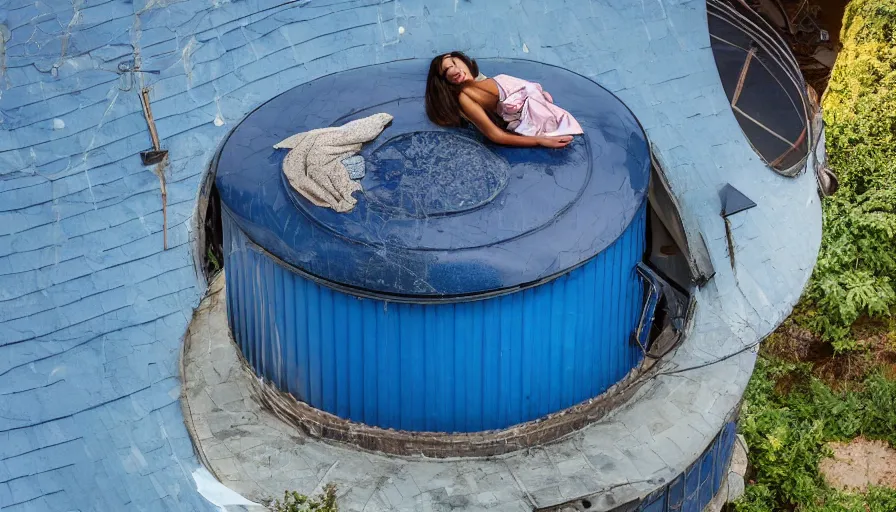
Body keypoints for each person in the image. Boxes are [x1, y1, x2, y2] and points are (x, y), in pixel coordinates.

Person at [425, 51, 583, 148]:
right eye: (446, 71)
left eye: (453, 62)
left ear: (462, 59)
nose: (453, 70)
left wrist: (539, 94)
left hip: (542, 108)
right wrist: (539, 141)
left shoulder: (479, 80)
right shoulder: (465, 95)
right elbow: (495, 135)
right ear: (446, 82)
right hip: (536, 119)